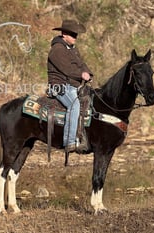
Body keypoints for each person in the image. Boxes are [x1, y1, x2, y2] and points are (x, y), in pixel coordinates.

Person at [47, 19, 93, 152]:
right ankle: (69, 141)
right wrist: (82, 75)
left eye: (76, 35)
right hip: (60, 86)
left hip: (73, 86)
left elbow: (81, 64)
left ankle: (84, 136)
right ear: (64, 34)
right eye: (73, 34)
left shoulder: (73, 49)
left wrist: (88, 72)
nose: (75, 37)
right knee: (74, 105)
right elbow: (67, 69)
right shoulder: (57, 50)